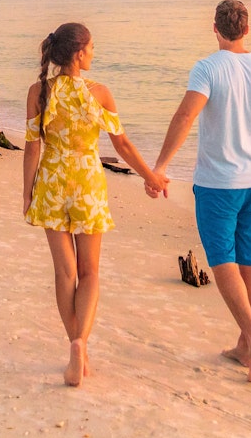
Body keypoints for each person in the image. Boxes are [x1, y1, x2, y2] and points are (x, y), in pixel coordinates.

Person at [22, 22, 168, 387]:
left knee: (64, 274)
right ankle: (80, 345)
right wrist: (150, 176)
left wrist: (27, 193)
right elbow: (122, 145)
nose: (94, 53)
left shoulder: (38, 91)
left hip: (52, 182)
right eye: (91, 48)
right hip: (87, 182)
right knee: (90, 274)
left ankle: (75, 346)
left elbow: (32, 146)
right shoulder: (99, 93)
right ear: (78, 54)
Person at [151, 0, 251, 383]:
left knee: (222, 259)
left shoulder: (208, 67)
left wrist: (159, 167)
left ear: (215, 29)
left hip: (217, 184)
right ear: (247, 29)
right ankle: (244, 345)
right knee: (250, 261)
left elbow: (186, 115)